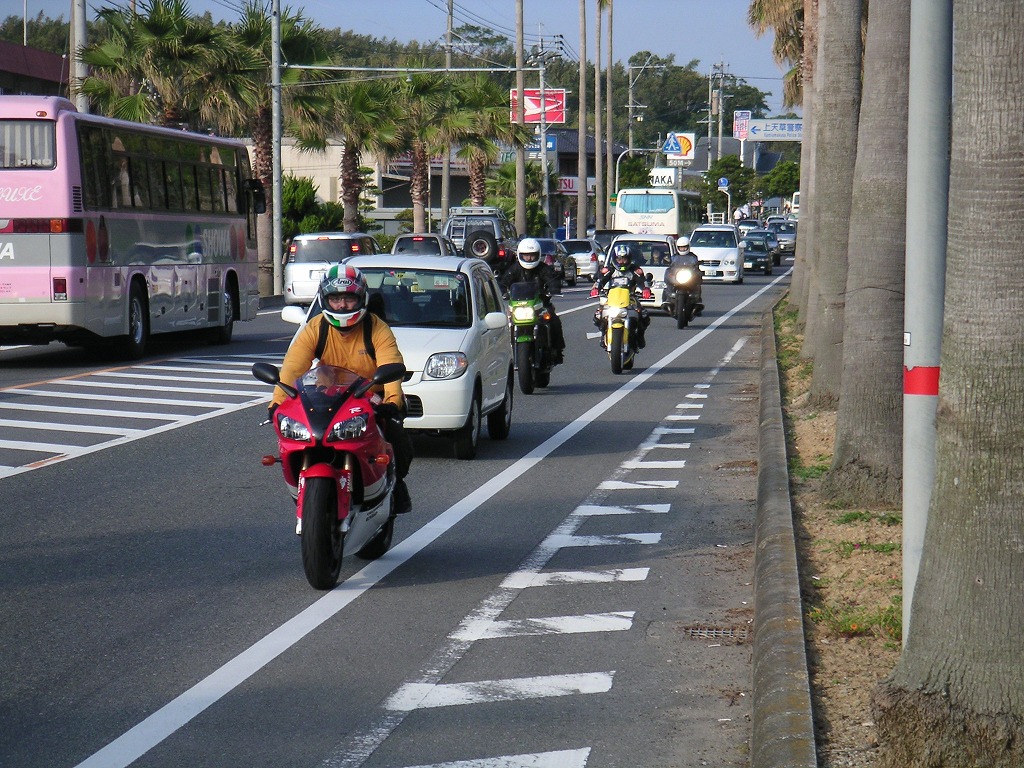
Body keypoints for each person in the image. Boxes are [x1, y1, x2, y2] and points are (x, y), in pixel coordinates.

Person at [268, 265, 414, 514]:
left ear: (362, 298)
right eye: (335, 299)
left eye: (349, 298)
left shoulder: (377, 328)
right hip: (327, 396)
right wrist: (277, 402)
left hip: (369, 395)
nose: (342, 305)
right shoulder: (315, 327)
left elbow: (391, 363)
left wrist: (392, 401)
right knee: (305, 435)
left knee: (397, 438)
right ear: (326, 300)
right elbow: (293, 367)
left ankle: (396, 484)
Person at [499, 237, 566, 363]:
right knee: (504, 326)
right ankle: (506, 356)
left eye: (532, 256)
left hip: (540, 305)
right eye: (526, 256)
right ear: (520, 255)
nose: (529, 259)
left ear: (538, 255)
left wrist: (554, 289)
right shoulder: (514, 269)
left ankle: (557, 350)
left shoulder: (543, 268)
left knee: (554, 320)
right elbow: (503, 282)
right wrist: (503, 292)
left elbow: (552, 279)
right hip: (519, 306)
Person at [590, 242, 652, 348]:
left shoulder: (635, 270)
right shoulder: (609, 270)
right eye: (619, 259)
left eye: (624, 259)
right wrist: (596, 288)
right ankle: (604, 334)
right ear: (615, 259)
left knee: (644, 315)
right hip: (612, 299)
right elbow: (600, 280)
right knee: (598, 316)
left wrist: (645, 289)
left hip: (631, 298)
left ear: (629, 259)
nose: (622, 261)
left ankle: (640, 336)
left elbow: (642, 281)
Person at [671, 235, 704, 312]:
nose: (683, 249)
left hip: (689, 276)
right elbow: (671, 266)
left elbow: (696, 267)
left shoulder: (693, 257)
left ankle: (697, 298)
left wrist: (697, 269)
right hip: (678, 276)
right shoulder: (674, 257)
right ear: (677, 247)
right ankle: (668, 298)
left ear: (688, 246)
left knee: (697, 280)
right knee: (668, 281)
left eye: (685, 247)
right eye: (681, 247)